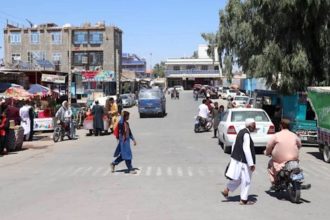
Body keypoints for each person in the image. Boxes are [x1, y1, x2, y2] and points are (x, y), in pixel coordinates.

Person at [222, 118, 257, 205]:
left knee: (238, 178)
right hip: (244, 161)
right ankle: (244, 200)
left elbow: (234, 145)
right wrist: (251, 164)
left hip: (238, 160)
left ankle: (227, 190)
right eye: (254, 125)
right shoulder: (246, 134)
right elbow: (246, 149)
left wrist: (234, 157)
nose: (255, 127)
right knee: (246, 180)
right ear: (249, 126)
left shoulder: (241, 132)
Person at [264, 119, 302, 187]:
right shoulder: (294, 135)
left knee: (270, 165)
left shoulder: (276, 135)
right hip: (293, 159)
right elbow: (299, 145)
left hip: (279, 160)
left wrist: (267, 153)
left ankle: (274, 183)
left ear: (281, 126)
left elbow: (269, 146)